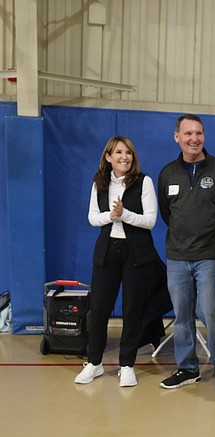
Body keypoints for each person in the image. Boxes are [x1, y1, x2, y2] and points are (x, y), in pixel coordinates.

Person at [75, 136, 170, 387]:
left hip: (137, 253)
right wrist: (112, 216)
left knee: (132, 310)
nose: (124, 157)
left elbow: (150, 220)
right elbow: (93, 218)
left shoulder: (144, 182)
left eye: (128, 153)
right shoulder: (100, 183)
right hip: (107, 251)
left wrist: (124, 214)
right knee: (99, 309)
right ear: (108, 157)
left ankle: (127, 365)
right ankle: (94, 363)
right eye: (118, 152)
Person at [157, 114, 215, 391]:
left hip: (211, 257)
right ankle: (187, 368)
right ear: (177, 137)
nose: (194, 139)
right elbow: (168, 214)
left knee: (210, 311)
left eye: (199, 133)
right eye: (188, 133)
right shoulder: (168, 173)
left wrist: (213, 238)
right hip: (177, 257)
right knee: (181, 315)